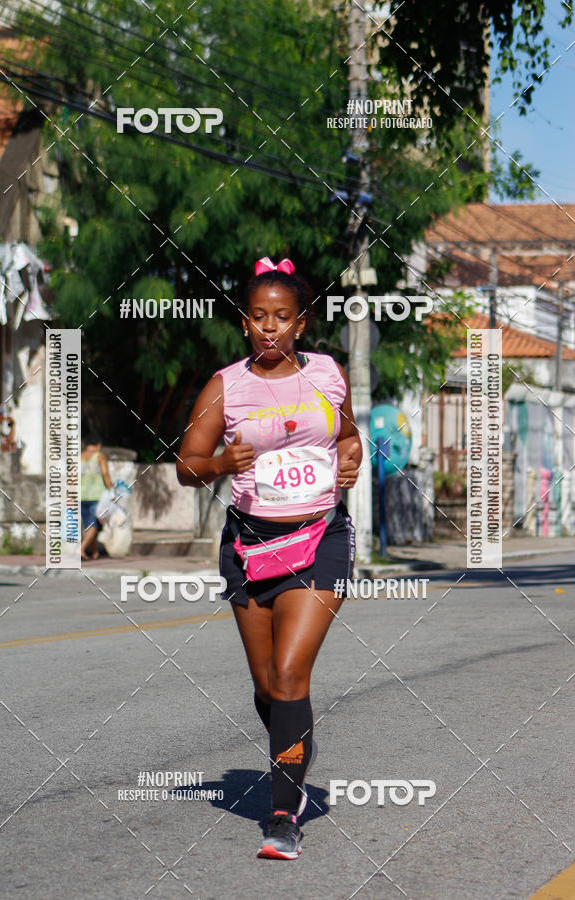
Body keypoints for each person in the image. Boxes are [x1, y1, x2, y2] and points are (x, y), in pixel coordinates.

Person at [176, 257, 361, 860]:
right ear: (245, 324)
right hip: (250, 545)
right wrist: (221, 466)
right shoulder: (226, 386)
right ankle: (295, 742)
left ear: (301, 325)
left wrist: (353, 460)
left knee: (288, 675)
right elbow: (186, 465)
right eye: (259, 318)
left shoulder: (330, 375)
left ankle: (283, 815)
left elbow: (348, 435)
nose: (270, 328)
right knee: (268, 686)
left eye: (282, 318)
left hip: (321, 536)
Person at [80, 431, 112, 560]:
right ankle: (81, 549)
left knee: (88, 524)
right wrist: (112, 490)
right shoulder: (99, 456)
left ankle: (94, 552)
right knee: (94, 525)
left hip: (81, 495)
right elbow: (105, 474)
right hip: (96, 495)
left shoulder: (79, 456)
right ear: (98, 444)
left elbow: (72, 477)